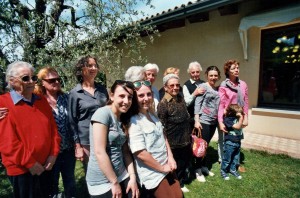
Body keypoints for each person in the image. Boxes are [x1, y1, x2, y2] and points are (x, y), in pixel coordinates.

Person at [0, 61, 61, 198]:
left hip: (46, 165)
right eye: (25, 78)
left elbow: (53, 130)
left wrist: (53, 154)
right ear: (11, 81)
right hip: (22, 170)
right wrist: (30, 163)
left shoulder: (41, 100)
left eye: (33, 78)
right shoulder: (3, 103)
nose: (31, 82)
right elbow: (8, 143)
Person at [127, 79, 182, 198]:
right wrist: (162, 168)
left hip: (167, 166)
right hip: (154, 174)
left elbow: (163, 135)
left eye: (148, 94)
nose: (146, 98)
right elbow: (140, 154)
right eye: (141, 95)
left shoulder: (152, 114)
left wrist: (171, 157)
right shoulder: (134, 121)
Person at [86, 80, 139, 197]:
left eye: (129, 97)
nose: (126, 101)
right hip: (103, 180)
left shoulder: (122, 118)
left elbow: (125, 152)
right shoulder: (103, 114)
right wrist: (114, 182)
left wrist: (133, 177)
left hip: (122, 173)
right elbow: (99, 152)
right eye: (122, 96)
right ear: (111, 95)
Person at [35, 67, 76, 198]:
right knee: (52, 183)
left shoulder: (66, 98)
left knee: (69, 180)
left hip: (68, 148)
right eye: (52, 80)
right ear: (42, 82)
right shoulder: (37, 101)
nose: (57, 82)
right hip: (50, 152)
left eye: (58, 79)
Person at [68, 55, 108, 170]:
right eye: (90, 65)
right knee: (92, 171)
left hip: (105, 135)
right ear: (81, 69)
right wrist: (78, 146)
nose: (94, 68)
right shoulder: (75, 93)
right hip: (87, 140)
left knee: (107, 167)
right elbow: (72, 121)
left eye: (95, 66)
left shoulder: (102, 90)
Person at [157, 74, 191, 193]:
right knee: (174, 166)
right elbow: (161, 126)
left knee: (183, 164)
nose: (175, 87)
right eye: (172, 85)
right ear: (165, 87)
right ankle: (175, 185)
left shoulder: (180, 98)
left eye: (177, 85)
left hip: (185, 139)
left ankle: (180, 181)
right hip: (172, 143)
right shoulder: (163, 104)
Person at [218, 59, 249, 172]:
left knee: (237, 139)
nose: (236, 70)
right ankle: (224, 162)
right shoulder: (224, 85)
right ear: (228, 71)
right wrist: (221, 122)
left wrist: (246, 118)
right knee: (226, 141)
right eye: (233, 68)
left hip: (239, 116)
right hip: (228, 117)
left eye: (237, 68)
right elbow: (221, 105)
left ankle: (235, 164)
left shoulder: (243, 84)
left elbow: (245, 102)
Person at [194, 66, 221, 182]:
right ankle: (197, 169)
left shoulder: (217, 89)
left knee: (207, 145)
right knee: (201, 146)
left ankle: (204, 167)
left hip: (213, 122)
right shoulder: (203, 86)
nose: (213, 77)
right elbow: (197, 103)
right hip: (203, 121)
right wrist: (197, 120)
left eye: (215, 75)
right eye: (211, 75)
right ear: (207, 75)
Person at [220, 104, 244, 180]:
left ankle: (232, 170)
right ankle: (223, 171)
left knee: (235, 158)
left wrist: (244, 115)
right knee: (227, 159)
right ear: (233, 112)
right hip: (230, 142)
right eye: (238, 112)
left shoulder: (238, 118)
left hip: (238, 142)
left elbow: (245, 123)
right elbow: (238, 127)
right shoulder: (227, 120)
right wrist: (241, 117)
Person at [183, 61, 206, 130]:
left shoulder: (203, 83)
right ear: (189, 73)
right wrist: (194, 93)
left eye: (197, 72)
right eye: (193, 72)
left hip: (204, 117)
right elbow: (186, 103)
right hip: (192, 117)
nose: (195, 74)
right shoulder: (186, 85)